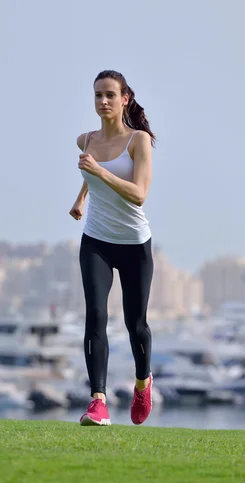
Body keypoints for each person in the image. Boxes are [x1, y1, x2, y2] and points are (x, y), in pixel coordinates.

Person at [69, 69, 156, 427]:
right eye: (97, 95)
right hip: (96, 241)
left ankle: (142, 383)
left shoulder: (139, 141)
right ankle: (98, 402)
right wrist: (81, 199)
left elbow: (139, 195)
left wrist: (99, 173)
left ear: (124, 100)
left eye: (109, 95)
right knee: (96, 316)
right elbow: (93, 174)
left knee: (136, 325)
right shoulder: (85, 139)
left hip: (134, 244)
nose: (102, 101)